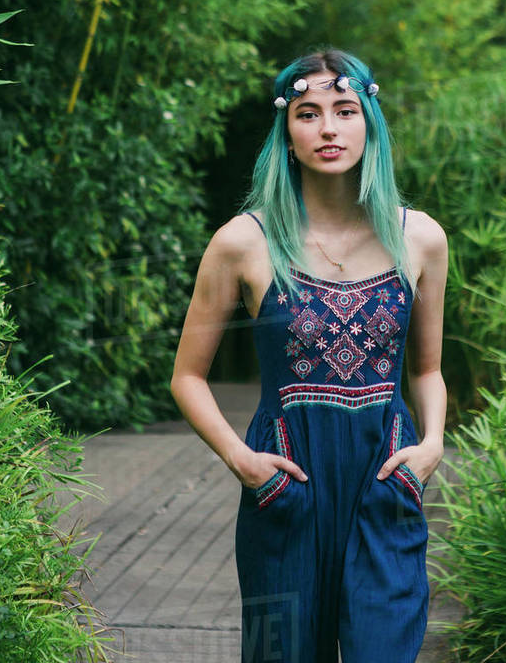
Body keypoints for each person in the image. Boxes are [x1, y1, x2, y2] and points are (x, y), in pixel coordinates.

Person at [170, 47, 448, 663]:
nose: (328, 127)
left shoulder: (421, 238)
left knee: (385, 650)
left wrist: (431, 446)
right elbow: (187, 377)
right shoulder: (243, 242)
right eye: (308, 113)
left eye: (345, 110)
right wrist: (243, 462)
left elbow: (426, 369)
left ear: (368, 123)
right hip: (285, 482)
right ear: (286, 133)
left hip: (385, 477)